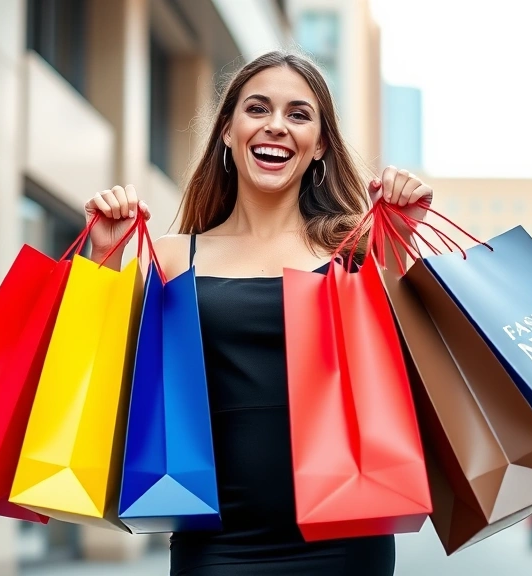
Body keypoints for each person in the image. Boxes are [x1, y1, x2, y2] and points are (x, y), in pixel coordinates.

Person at [83, 50, 433, 576]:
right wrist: (104, 257)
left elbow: (413, 368)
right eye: (257, 108)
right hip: (216, 541)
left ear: (319, 147)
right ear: (227, 131)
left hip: (345, 538)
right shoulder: (174, 255)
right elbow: (104, 375)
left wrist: (400, 240)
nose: (276, 126)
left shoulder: (354, 254)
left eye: (298, 114)